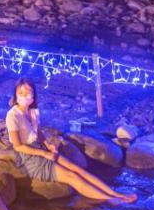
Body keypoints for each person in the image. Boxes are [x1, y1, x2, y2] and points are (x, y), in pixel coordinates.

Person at [7, 79, 137, 203]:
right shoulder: (12, 116)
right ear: (16, 95)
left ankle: (115, 194)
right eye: (21, 93)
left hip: (40, 148)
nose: (25, 96)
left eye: (28, 92)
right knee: (71, 176)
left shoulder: (33, 111)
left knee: (77, 169)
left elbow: (38, 132)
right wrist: (45, 154)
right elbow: (18, 146)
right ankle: (110, 200)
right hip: (29, 157)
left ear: (33, 94)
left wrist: (48, 146)